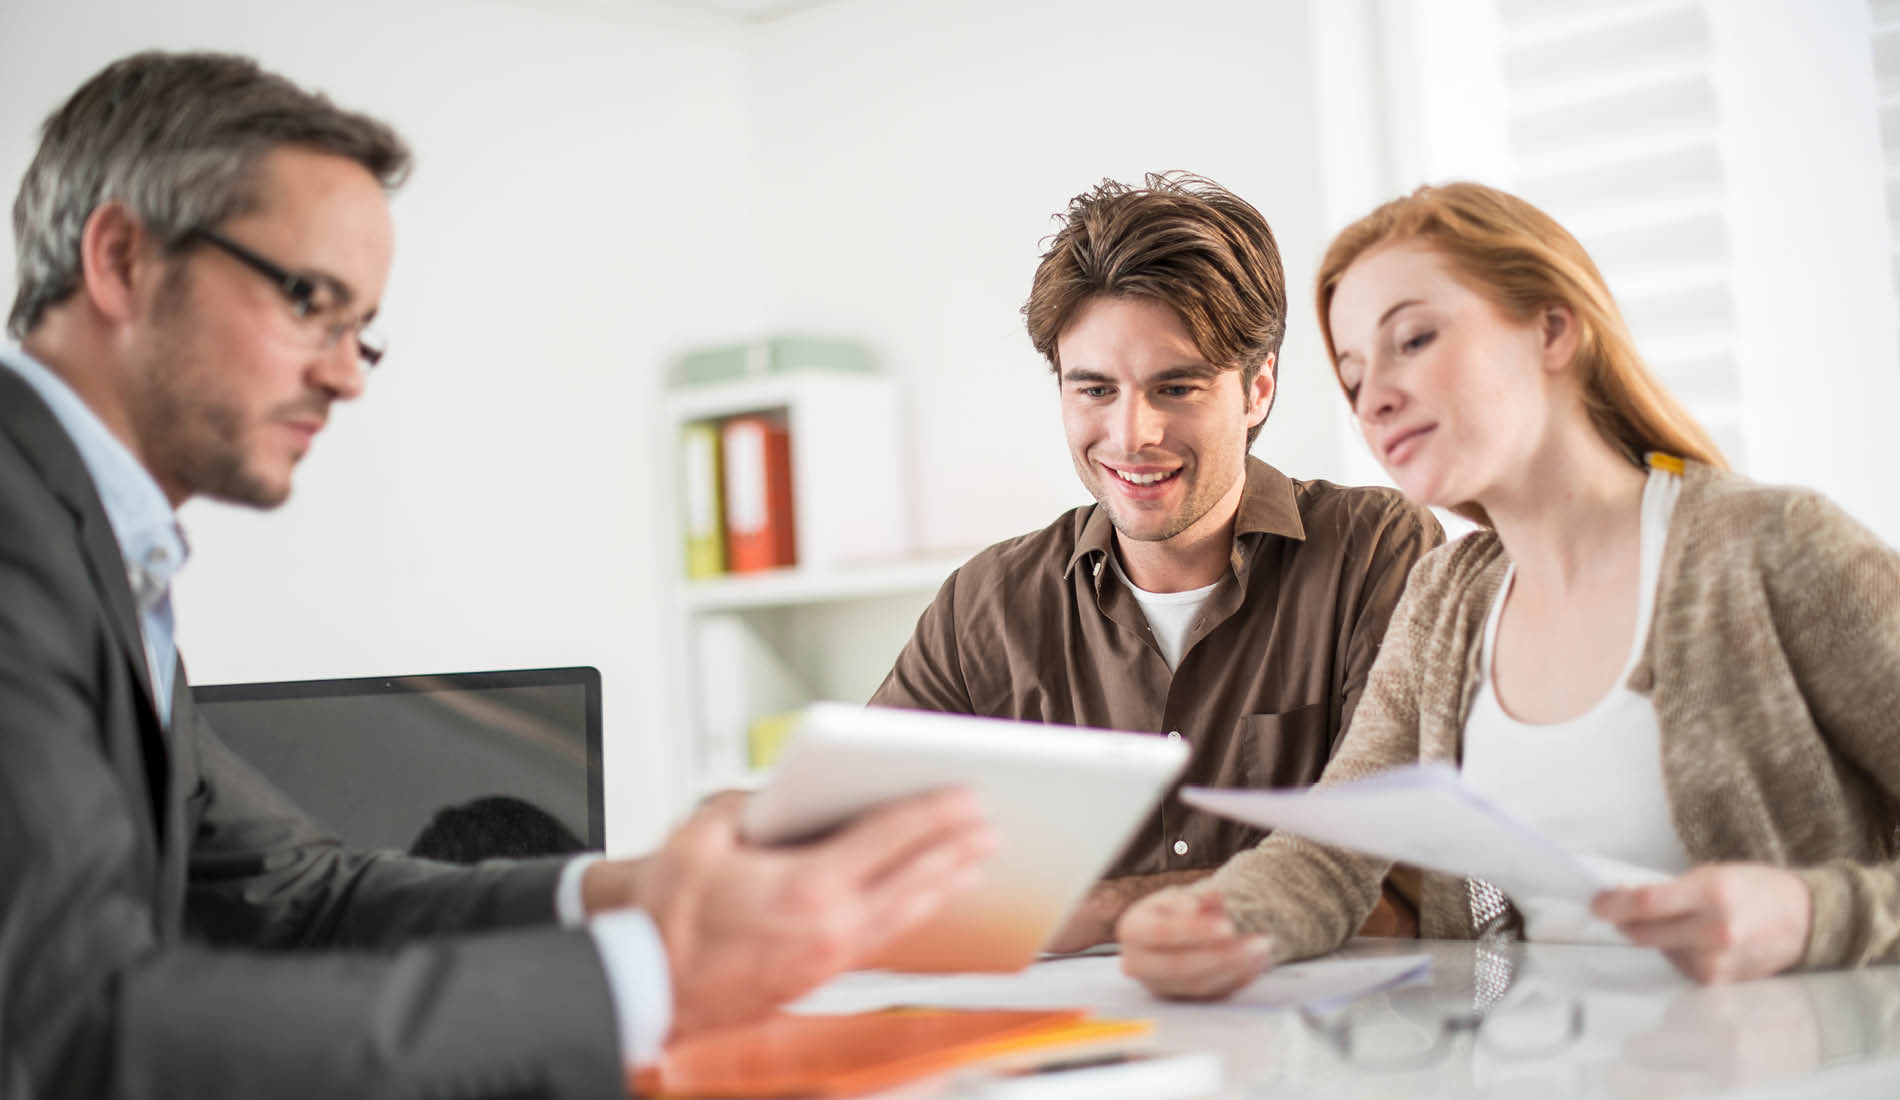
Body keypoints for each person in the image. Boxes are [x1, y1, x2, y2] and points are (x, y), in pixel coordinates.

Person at [0, 51, 994, 1098]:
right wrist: (653, 973)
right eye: (310, 303)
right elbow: (78, 1025)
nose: (343, 374)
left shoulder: (94, 549)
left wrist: (642, 893)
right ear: (120, 259)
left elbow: (304, 894)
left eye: (359, 333)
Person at [1119, 180, 1900, 999]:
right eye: (1352, 379)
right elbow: (1327, 861)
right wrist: (1215, 918)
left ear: (1553, 329)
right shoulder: (1446, 598)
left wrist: (1812, 917)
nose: (1374, 398)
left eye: (1413, 339)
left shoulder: (1770, 547)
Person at [871, 173, 1442, 951]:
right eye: (1095, 389)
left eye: (1176, 386)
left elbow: (1410, 879)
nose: (1131, 432)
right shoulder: (988, 604)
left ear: (1258, 388)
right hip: (1074, 1058)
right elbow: (866, 870)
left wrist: (1098, 909)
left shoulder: (1373, 552)